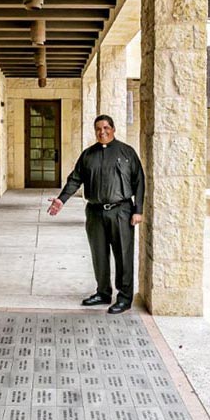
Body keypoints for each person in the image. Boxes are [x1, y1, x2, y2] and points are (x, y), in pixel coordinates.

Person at [47, 114, 144, 314]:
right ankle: (103, 292)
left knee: (123, 256)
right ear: (95, 131)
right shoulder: (88, 155)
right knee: (99, 254)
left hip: (122, 211)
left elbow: (139, 181)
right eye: (98, 128)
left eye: (106, 127)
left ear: (113, 129)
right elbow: (74, 179)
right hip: (95, 212)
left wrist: (138, 210)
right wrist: (62, 199)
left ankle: (124, 298)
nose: (103, 132)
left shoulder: (127, 152)